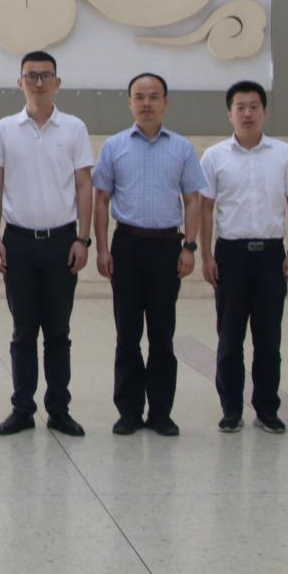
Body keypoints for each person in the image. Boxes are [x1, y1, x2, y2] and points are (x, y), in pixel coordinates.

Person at [90, 72, 205, 436]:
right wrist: (103, 248)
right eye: (139, 97)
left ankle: (160, 412)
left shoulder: (182, 148)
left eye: (154, 96)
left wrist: (190, 247)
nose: (146, 103)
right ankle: (128, 411)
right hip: (126, 246)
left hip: (166, 247)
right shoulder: (114, 147)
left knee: (161, 334)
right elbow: (101, 199)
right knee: (127, 334)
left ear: (166, 102)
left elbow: (193, 200)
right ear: (129, 102)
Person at [0, 50, 94, 437]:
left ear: (57, 82)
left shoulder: (74, 128)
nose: (38, 82)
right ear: (20, 82)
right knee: (23, 332)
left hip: (62, 242)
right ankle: (22, 408)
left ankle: (59, 409)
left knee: (58, 332)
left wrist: (83, 238)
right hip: (18, 242)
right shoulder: (4, 129)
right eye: (31, 75)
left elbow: (84, 185)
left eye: (45, 75)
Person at [197, 80, 288, 434]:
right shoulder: (214, 156)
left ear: (264, 112)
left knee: (268, 340)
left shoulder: (284, 155)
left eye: (254, 107)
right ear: (229, 114)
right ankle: (231, 410)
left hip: (271, 256)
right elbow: (205, 207)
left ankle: (267, 409)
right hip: (230, 256)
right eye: (240, 107)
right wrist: (206, 256)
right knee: (230, 340)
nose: (247, 113)